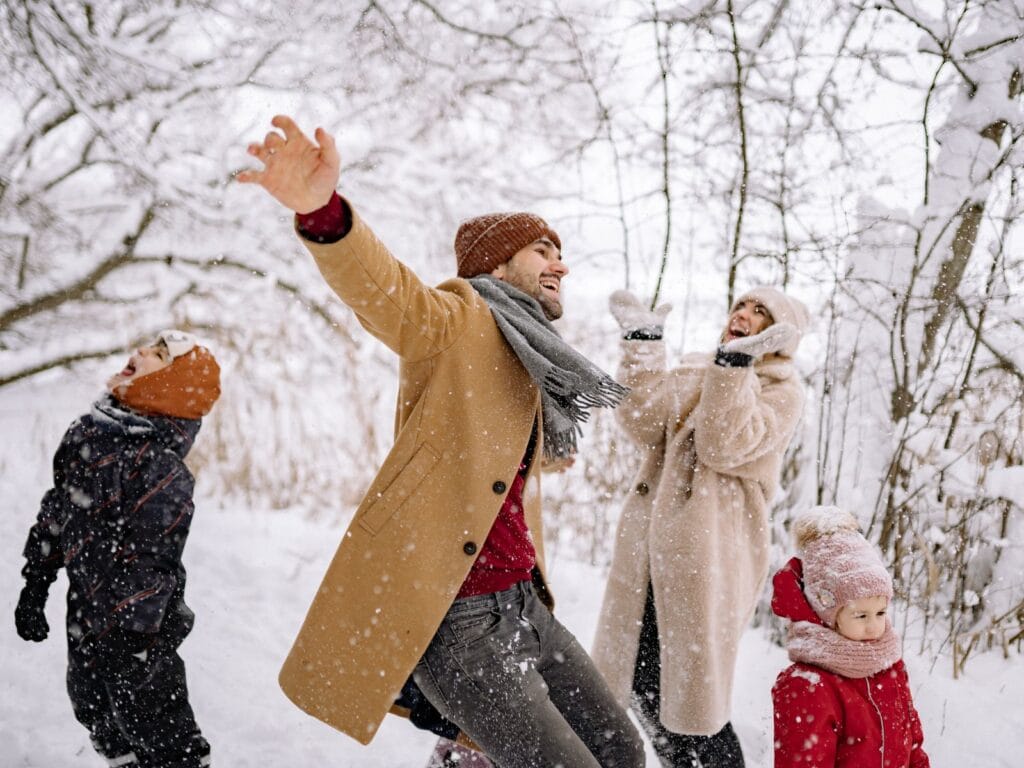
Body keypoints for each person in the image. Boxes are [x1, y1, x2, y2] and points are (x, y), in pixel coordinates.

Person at [237, 115, 644, 768]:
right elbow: (386, 293)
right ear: (496, 264)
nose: (560, 264)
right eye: (542, 250)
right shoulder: (457, 320)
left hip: (523, 605)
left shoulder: (531, 354)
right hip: (461, 623)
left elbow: (495, 464)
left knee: (622, 748)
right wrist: (324, 214)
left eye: (558, 251)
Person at [591, 287, 809, 767]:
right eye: (742, 306)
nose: (744, 315)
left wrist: (734, 370)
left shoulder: (781, 390)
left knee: (692, 706)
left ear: (781, 336)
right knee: (642, 686)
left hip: (708, 559)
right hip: (649, 556)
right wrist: (643, 343)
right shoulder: (696, 366)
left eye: (761, 314)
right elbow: (642, 421)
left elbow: (721, 445)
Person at [14, 330, 221, 768]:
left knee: (155, 717)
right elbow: (60, 506)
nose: (141, 351)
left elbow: (152, 559)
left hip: (141, 626)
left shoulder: (161, 468)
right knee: (92, 703)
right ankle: (122, 761)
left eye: (159, 355)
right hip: (87, 606)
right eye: (148, 345)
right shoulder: (88, 434)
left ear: (170, 386)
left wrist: (133, 637)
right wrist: (37, 577)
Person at [770, 506, 930, 767]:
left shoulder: (889, 667)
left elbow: (912, 746)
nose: (874, 627)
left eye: (880, 613)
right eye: (860, 616)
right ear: (827, 614)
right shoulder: (808, 685)